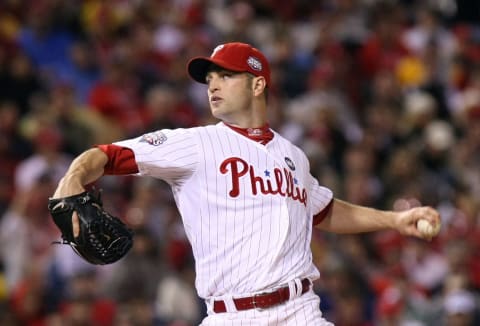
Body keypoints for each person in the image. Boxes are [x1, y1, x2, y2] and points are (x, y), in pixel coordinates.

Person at [51, 42, 441, 325]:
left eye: (226, 75)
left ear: (257, 85)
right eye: (209, 79)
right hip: (230, 315)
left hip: (300, 311)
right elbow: (103, 155)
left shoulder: (294, 156)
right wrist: (73, 178)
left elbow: (323, 210)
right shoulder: (196, 144)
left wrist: (393, 220)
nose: (212, 85)